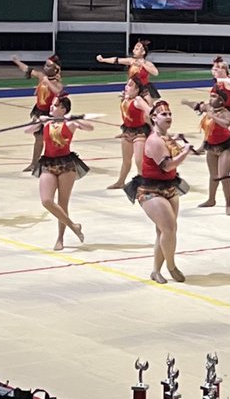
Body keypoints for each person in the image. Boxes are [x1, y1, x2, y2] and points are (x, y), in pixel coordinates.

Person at [125, 101, 194, 284]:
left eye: (170, 114)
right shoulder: (155, 140)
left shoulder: (166, 137)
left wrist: (180, 143)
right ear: (154, 117)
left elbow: (175, 153)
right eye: (164, 114)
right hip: (150, 190)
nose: (169, 117)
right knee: (169, 229)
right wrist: (185, 152)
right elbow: (167, 165)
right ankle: (171, 266)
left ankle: (156, 271)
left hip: (169, 187)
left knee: (164, 231)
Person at [27, 95, 92, 251]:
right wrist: (38, 122)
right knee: (46, 200)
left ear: (63, 109)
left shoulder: (69, 124)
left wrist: (73, 119)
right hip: (48, 163)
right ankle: (73, 226)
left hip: (66, 165)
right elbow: (27, 130)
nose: (51, 107)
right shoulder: (47, 122)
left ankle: (60, 238)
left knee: (63, 203)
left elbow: (89, 127)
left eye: (55, 105)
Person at [183, 89, 230, 214]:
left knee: (224, 176)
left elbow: (226, 124)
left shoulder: (226, 113)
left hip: (226, 146)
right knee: (213, 175)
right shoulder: (208, 107)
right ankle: (211, 199)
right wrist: (186, 102)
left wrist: (214, 117)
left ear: (221, 100)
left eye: (213, 96)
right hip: (211, 145)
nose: (210, 98)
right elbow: (198, 106)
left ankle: (228, 205)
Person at [11, 54, 64, 172]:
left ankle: (54, 161)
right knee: (38, 138)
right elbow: (28, 69)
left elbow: (58, 92)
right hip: (39, 111)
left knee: (52, 139)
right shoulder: (41, 76)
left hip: (50, 114)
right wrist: (17, 61)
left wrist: (46, 81)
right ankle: (34, 163)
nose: (45, 67)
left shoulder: (57, 83)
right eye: (45, 65)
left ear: (56, 69)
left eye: (49, 65)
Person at [107, 76, 153, 190]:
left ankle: (144, 184)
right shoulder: (126, 98)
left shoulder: (138, 100)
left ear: (137, 89)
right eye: (127, 84)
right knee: (126, 160)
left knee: (139, 161)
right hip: (127, 131)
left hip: (140, 132)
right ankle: (120, 182)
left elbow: (150, 111)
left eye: (130, 85)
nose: (126, 87)